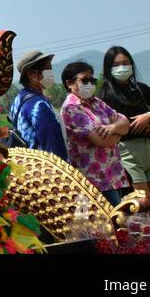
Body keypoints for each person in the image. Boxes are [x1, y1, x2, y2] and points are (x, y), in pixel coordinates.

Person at [99, 46, 150, 199]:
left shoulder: (140, 89)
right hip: (127, 153)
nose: (122, 67)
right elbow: (112, 128)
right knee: (142, 207)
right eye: (116, 64)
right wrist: (148, 129)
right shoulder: (105, 95)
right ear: (108, 68)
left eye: (125, 63)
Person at [59, 61, 131, 205]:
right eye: (85, 80)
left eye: (92, 80)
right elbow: (100, 140)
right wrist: (119, 132)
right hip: (92, 180)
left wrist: (111, 129)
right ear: (69, 83)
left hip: (112, 174)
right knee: (107, 223)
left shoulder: (96, 102)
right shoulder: (72, 108)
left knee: (117, 221)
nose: (90, 84)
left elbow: (125, 123)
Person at [9, 51, 67, 160]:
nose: (51, 72)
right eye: (47, 69)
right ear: (32, 74)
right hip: (47, 168)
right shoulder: (39, 106)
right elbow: (53, 146)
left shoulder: (18, 99)